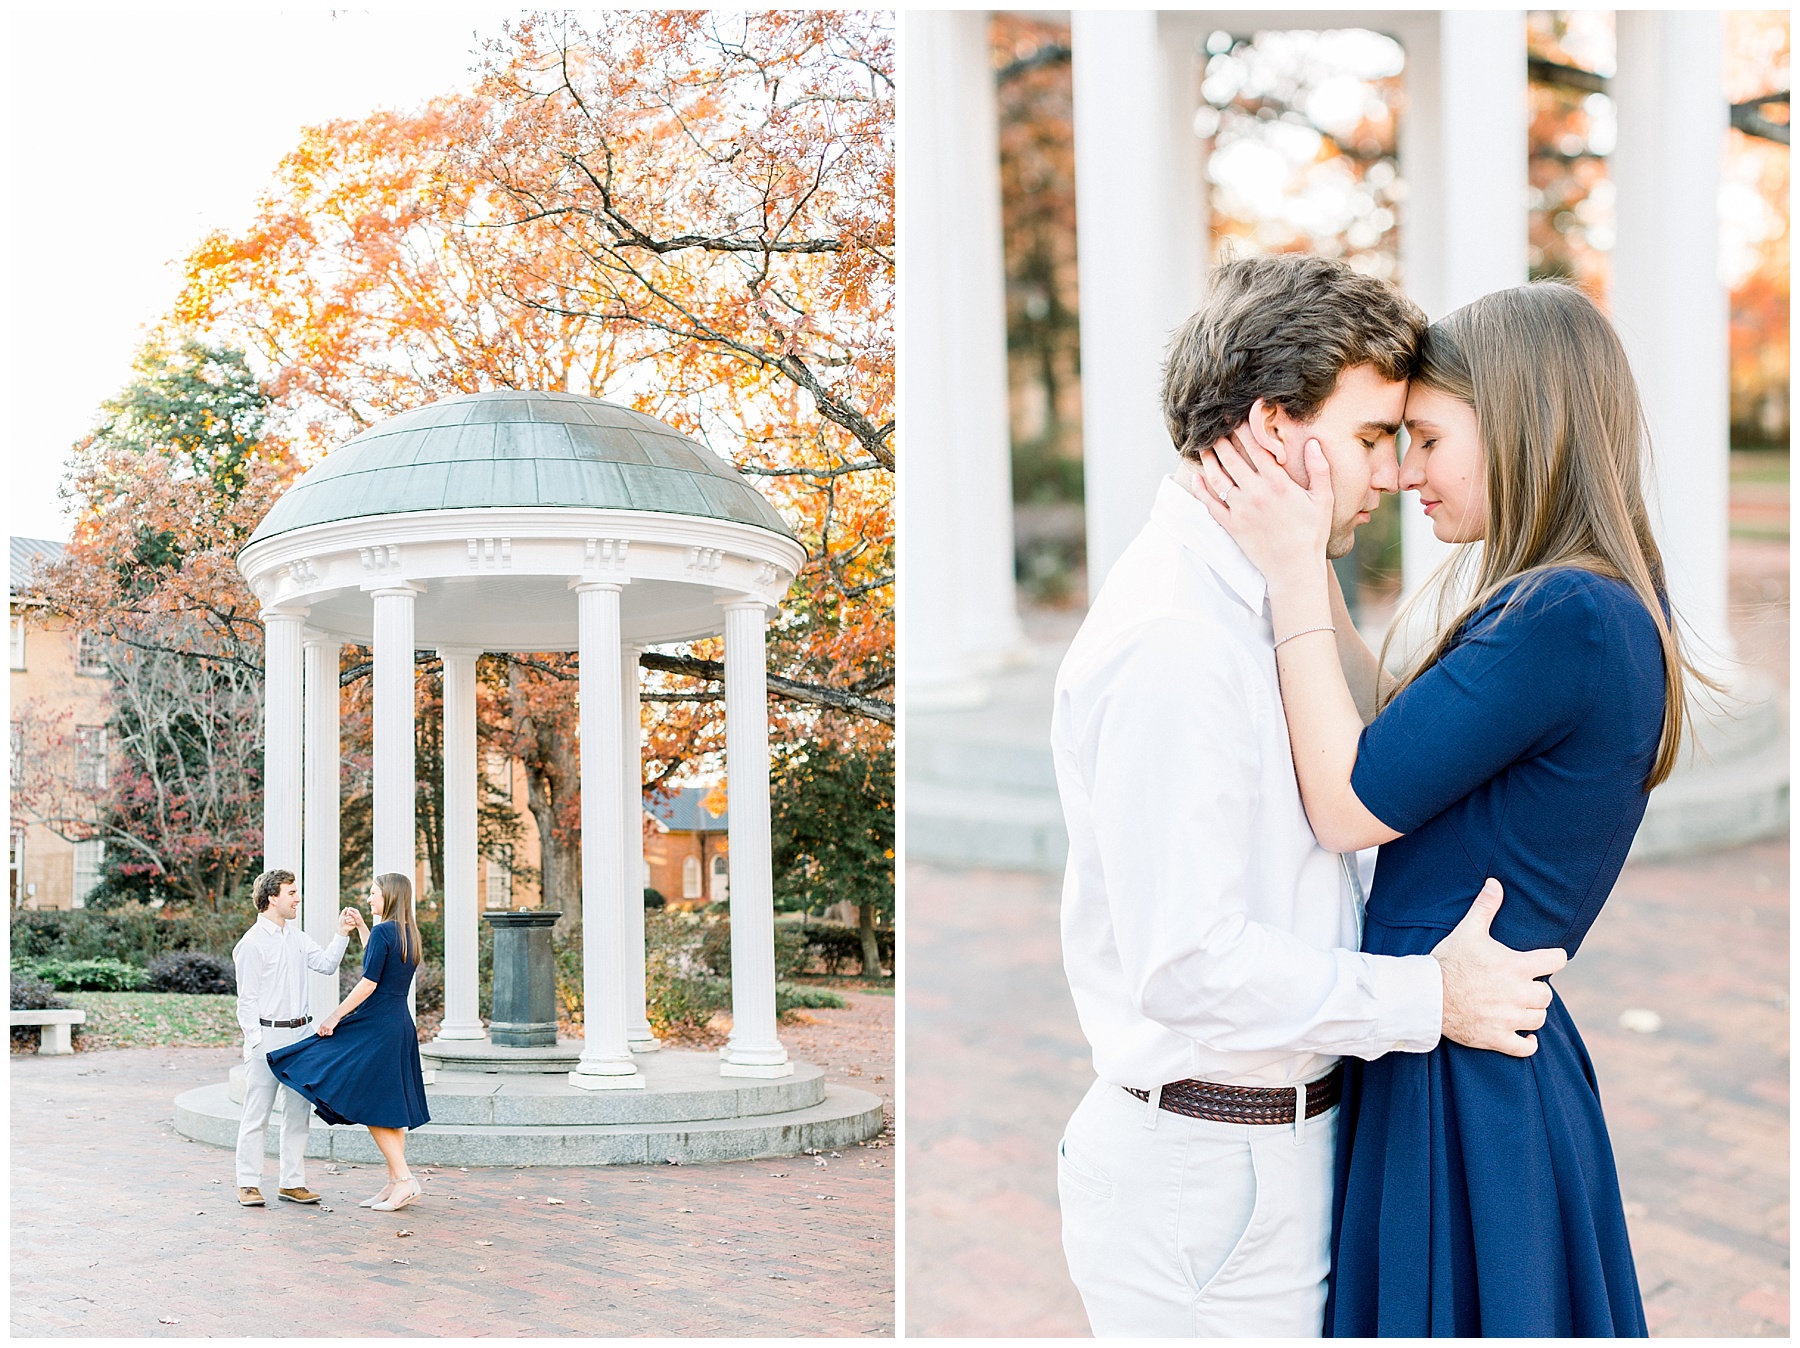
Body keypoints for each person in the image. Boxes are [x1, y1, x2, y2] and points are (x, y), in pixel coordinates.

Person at [1052, 253, 1567, 1338]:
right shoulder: (1177, 643)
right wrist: (1433, 1000)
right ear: (1278, 426)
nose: (1390, 475)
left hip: (1278, 1152)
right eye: (1375, 435)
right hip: (1209, 1185)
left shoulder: (1253, 603)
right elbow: (1188, 962)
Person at [1197, 280, 1693, 1336]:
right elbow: (1392, 743)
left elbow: (1347, 800)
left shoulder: (1566, 612)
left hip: (1462, 1085)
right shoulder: (1573, 602)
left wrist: (1288, 572)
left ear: (1518, 420)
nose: (1406, 471)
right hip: (1456, 1057)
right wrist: (1316, 546)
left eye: (1427, 437)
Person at [267, 872, 432, 1213]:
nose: (369, 899)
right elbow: (381, 960)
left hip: (377, 1026)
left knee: (372, 1102)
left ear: (388, 896)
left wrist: (334, 1016)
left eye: (373, 894)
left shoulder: (387, 931)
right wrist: (361, 930)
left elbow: (370, 982)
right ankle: (393, 1183)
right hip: (398, 1023)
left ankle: (405, 1180)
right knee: (388, 1106)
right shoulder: (407, 933)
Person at [232, 868, 361, 1207]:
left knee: (297, 1113)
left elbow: (328, 965)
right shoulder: (252, 943)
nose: (297, 898)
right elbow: (245, 999)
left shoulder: (298, 937)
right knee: (256, 1114)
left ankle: (292, 1182)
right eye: (291, 892)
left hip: (301, 1038)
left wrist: (341, 934)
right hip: (267, 1038)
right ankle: (247, 1183)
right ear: (272, 897)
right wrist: (255, 1040)